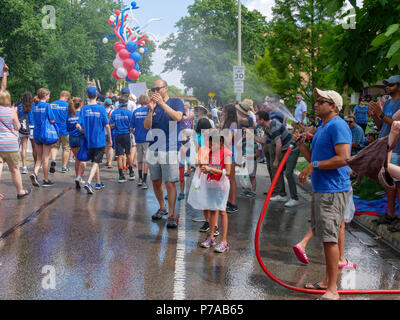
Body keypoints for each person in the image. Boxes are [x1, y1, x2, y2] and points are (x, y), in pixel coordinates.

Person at [295, 88, 352, 300]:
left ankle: (332, 291)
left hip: (333, 190)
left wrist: (314, 166)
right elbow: (313, 159)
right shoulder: (322, 127)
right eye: (316, 101)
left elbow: (344, 158)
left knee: (330, 239)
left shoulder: (338, 125)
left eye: (321, 101)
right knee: (326, 237)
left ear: (333, 106)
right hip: (322, 189)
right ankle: (327, 282)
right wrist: (302, 146)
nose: (316, 104)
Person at [144, 79, 185, 228]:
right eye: (153, 89)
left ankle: (172, 214)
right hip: (154, 147)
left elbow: (178, 117)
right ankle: (162, 207)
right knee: (155, 181)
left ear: (166, 88)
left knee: (170, 182)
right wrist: (150, 110)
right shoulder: (152, 105)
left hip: (171, 147)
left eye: (158, 88)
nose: (155, 92)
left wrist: (161, 104)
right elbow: (147, 126)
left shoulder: (175, 102)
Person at [369, 75, 400, 226]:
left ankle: (397, 217)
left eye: (391, 84)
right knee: (388, 182)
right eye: (386, 84)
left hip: (396, 147)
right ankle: (390, 214)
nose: (387, 87)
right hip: (385, 146)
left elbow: (397, 124)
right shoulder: (388, 102)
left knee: (397, 183)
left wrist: (381, 114)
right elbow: (382, 126)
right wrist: (375, 115)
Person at [255, 110, 300, 207]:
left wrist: (276, 160)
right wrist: (251, 136)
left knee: (288, 173)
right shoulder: (267, 128)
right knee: (277, 170)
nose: (256, 121)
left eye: (257, 120)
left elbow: (278, 144)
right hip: (285, 149)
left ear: (262, 120)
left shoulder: (274, 125)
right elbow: (263, 140)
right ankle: (282, 195)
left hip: (292, 149)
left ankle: (294, 198)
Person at [198, 131, 232, 253]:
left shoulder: (227, 153)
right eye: (210, 145)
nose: (211, 147)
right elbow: (212, 167)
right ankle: (211, 237)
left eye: (213, 145)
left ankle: (224, 241)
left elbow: (227, 172)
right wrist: (206, 170)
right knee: (213, 210)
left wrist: (211, 169)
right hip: (211, 183)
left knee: (222, 211)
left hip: (222, 185)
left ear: (221, 142)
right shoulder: (211, 152)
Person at [0, 65, 31, 200]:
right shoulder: (12, 111)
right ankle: (20, 191)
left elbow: (2, 89)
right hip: (11, 144)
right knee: (14, 169)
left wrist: (4, 74)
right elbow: (18, 127)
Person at [76, 87, 112, 194]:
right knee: (96, 162)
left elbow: (77, 125)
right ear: (96, 95)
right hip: (99, 140)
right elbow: (107, 126)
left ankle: (98, 183)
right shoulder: (101, 109)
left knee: (95, 161)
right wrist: (110, 139)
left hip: (89, 141)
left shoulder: (84, 109)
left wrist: (85, 132)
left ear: (88, 95)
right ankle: (88, 182)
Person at [30, 88, 56, 187]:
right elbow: (52, 120)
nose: (49, 97)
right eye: (48, 95)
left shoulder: (34, 106)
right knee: (46, 158)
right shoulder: (47, 106)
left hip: (36, 133)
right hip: (46, 134)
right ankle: (45, 179)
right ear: (45, 96)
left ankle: (35, 173)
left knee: (39, 158)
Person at [110, 95, 135, 183]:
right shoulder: (129, 113)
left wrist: (116, 125)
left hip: (117, 135)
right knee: (128, 154)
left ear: (119, 103)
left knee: (119, 156)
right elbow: (132, 125)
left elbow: (111, 124)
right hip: (126, 135)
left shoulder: (114, 112)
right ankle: (131, 173)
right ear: (127, 103)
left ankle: (121, 175)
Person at [221, 104, 239, 213]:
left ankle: (233, 203)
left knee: (231, 178)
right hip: (226, 150)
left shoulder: (233, 124)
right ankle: (228, 201)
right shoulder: (227, 123)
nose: (223, 113)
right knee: (227, 178)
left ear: (229, 112)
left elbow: (229, 138)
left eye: (225, 111)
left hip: (231, 151)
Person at [66, 97, 86, 189]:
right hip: (81, 138)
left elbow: (68, 129)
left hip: (72, 139)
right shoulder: (82, 114)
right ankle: (79, 177)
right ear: (80, 104)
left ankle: (77, 177)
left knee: (77, 159)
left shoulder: (69, 115)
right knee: (83, 159)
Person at [49, 91, 71, 173]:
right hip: (65, 129)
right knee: (66, 148)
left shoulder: (52, 104)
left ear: (60, 95)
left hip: (54, 129)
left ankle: (53, 160)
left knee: (54, 147)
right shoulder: (68, 105)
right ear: (67, 97)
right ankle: (64, 167)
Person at [132, 94, 151, 189]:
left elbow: (131, 127)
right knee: (146, 160)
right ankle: (144, 181)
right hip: (147, 138)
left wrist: (135, 133)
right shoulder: (149, 110)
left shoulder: (135, 112)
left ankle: (139, 179)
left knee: (139, 160)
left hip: (138, 138)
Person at [17, 92, 36, 174]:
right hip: (32, 127)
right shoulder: (34, 106)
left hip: (23, 127)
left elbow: (17, 117)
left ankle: (24, 167)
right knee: (34, 147)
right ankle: (36, 165)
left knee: (23, 148)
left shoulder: (20, 106)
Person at [104, 98, 115, 168]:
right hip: (111, 131)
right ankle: (110, 162)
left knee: (106, 147)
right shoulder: (113, 111)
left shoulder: (102, 111)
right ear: (111, 104)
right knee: (110, 147)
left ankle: (107, 160)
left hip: (103, 131)